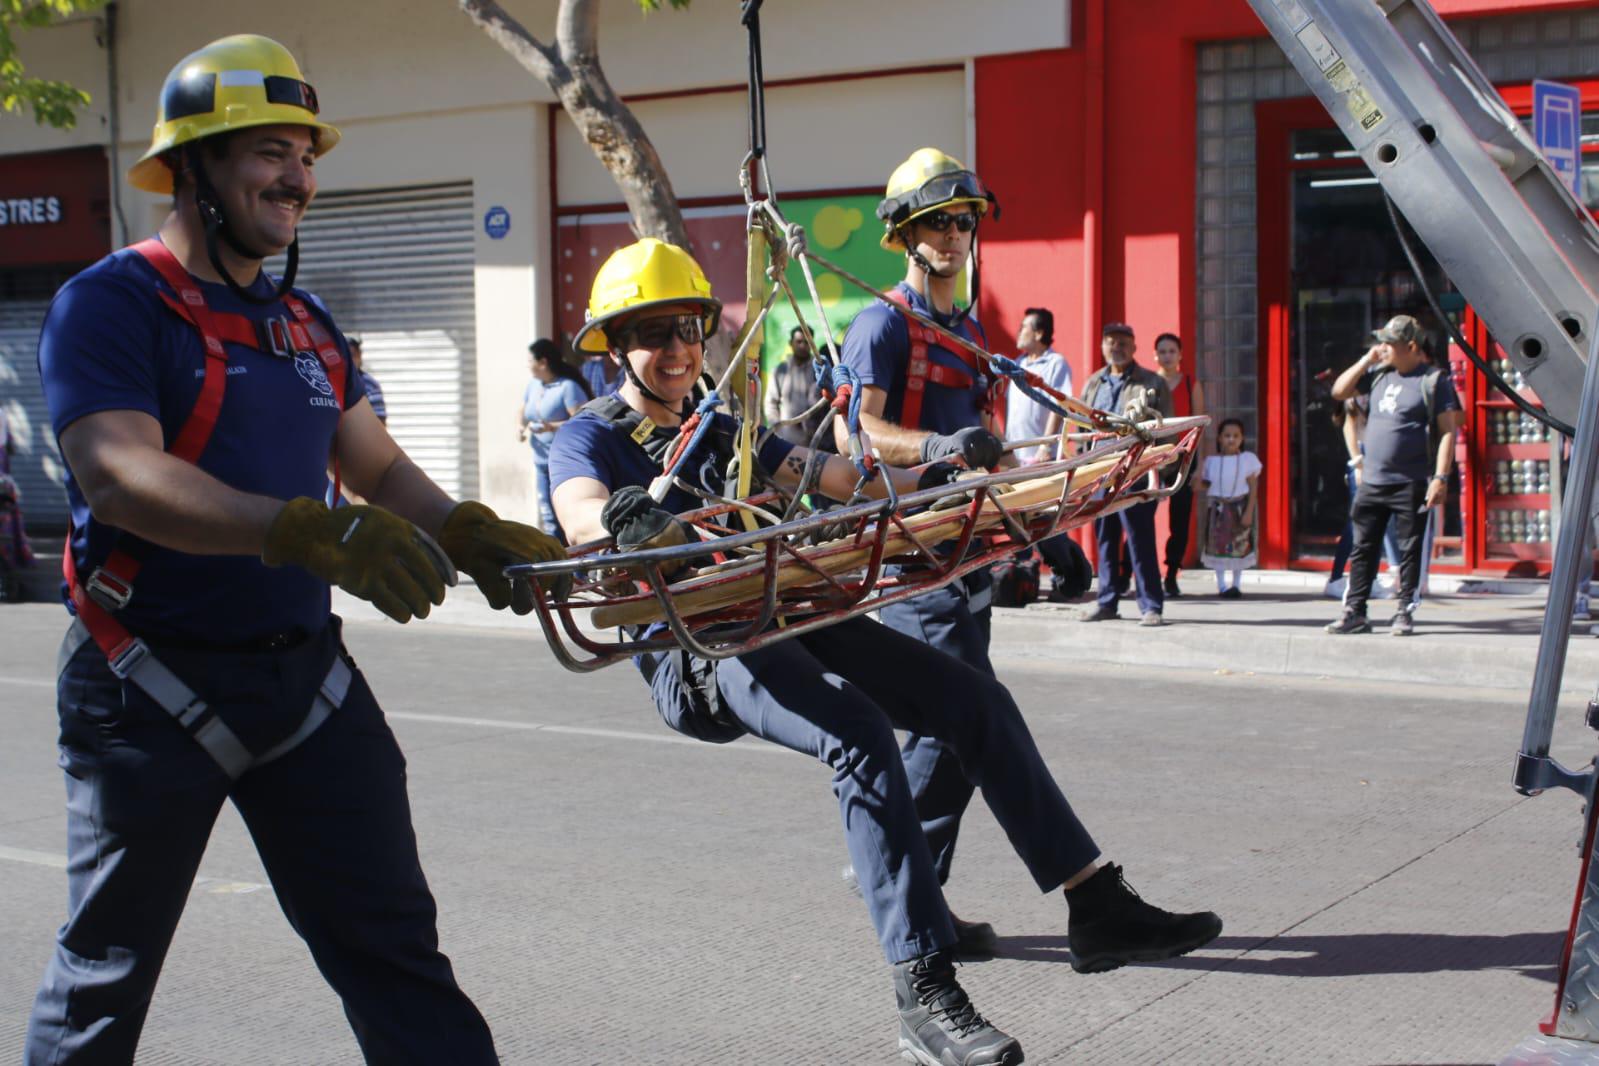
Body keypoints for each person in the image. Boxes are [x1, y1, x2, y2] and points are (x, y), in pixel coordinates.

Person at [551, 237, 1223, 1066]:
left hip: (776, 605)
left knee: (971, 701)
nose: (679, 350)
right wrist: (620, 518)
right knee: (858, 732)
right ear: (615, 346)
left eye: (687, 328)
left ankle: (1097, 907)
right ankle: (924, 996)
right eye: (653, 335)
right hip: (699, 645)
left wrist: (945, 469)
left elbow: (839, 476)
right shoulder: (588, 438)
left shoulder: (725, 428)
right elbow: (580, 511)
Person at [26, 35, 565, 1064]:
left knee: (397, 954)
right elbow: (117, 473)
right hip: (146, 684)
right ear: (193, 168)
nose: (298, 178)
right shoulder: (108, 303)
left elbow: (373, 466)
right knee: (107, 970)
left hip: (306, 689)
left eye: (307, 156)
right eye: (270, 152)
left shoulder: (306, 320)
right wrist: (295, 529)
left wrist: (460, 527)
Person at [837, 148, 1012, 947]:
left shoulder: (969, 328)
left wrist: (1037, 536)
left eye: (961, 220)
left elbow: (988, 445)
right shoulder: (882, 322)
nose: (952, 234)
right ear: (904, 233)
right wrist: (941, 446)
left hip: (963, 548)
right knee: (960, 722)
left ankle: (910, 886)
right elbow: (861, 434)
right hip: (909, 554)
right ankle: (902, 887)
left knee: (952, 730)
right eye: (935, 221)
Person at [1325, 314, 1462, 636]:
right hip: (1373, 480)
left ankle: (1404, 610)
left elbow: (1447, 432)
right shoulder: (1377, 375)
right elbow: (1339, 391)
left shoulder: (1433, 380)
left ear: (1411, 346)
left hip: (1410, 480)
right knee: (1363, 547)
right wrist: (1366, 360)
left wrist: (1440, 478)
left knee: (1409, 548)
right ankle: (1355, 611)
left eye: (1389, 343)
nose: (1382, 348)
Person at [1077, 323, 1174, 626]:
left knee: (1140, 539)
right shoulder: (1093, 384)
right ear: (1102, 346)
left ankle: (1150, 606)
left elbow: (1167, 429)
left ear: (1134, 347)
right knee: (1105, 540)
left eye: (1122, 343)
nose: (1116, 347)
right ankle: (1106, 601)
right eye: (1110, 342)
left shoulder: (1153, 383)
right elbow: (1083, 430)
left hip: (1137, 473)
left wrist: (1163, 468)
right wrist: (1080, 473)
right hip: (1100, 474)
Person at [520, 337, 591, 540]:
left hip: (565, 463)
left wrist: (551, 427)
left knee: (568, 518)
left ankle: (577, 567)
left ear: (543, 362)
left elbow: (580, 422)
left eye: (530, 360)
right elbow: (523, 409)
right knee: (549, 518)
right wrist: (520, 426)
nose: (528, 365)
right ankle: (558, 565)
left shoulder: (568, 388)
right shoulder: (534, 385)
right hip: (541, 461)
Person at [1153, 332, 1205, 598]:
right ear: (1155, 356)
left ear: (1180, 355)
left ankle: (1172, 573)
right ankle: (1132, 571)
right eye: (1162, 351)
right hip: (1153, 457)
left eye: (1172, 351)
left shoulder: (1189, 382)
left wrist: (1199, 466)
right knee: (1141, 513)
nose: (1167, 356)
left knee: (1180, 520)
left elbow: (1200, 425)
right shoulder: (1149, 384)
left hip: (1185, 456)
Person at [1199, 418, 1260, 598]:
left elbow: (1253, 487)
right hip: (1218, 508)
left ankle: (1236, 584)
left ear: (1242, 439)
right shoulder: (1211, 461)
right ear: (1219, 438)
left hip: (1239, 506)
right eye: (1227, 436)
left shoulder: (1247, 460)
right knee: (1217, 544)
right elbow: (1203, 485)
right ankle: (1221, 585)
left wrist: (1249, 511)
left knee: (1239, 545)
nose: (1231, 440)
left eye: (1236, 436)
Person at [1004, 307, 1073, 463]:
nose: (1018, 332)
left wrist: (1045, 446)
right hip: (1014, 457)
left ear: (1039, 333)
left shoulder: (1056, 363)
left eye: (1023, 327)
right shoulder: (1018, 363)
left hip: (1041, 458)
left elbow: (1059, 405)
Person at [764, 324, 826, 445]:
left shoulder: (819, 370)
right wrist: (777, 429)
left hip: (815, 441)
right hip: (785, 439)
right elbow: (771, 404)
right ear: (790, 343)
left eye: (807, 342)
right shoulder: (781, 370)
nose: (802, 346)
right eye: (798, 341)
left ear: (812, 344)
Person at [345, 334, 386, 423]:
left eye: (353, 356)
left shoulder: (369, 384)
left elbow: (380, 419)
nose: (350, 361)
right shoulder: (329, 383)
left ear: (360, 356)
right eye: (345, 356)